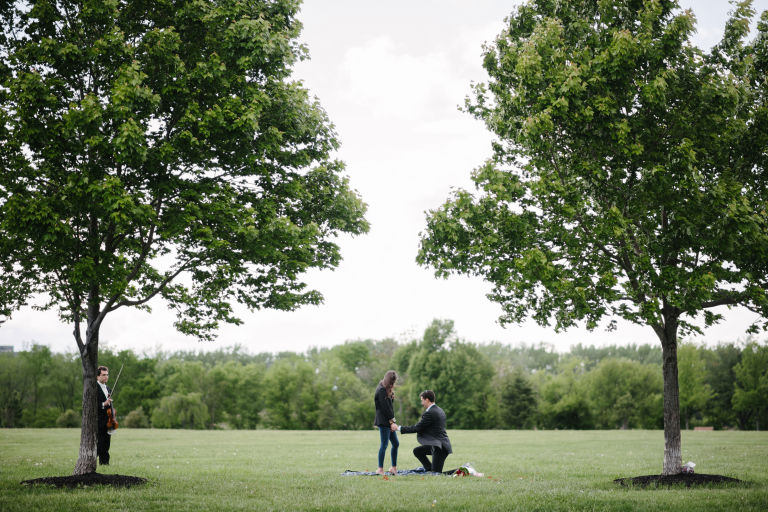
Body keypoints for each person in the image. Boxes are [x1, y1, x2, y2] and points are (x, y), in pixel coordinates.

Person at [392, 390, 452, 473]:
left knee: (436, 474)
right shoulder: (439, 410)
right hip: (439, 445)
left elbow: (417, 428)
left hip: (440, 447)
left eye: (422, 400)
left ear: (427, 400)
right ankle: (428, 468)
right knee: (417, 451)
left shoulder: (430, 413)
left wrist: (398, 428)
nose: (422, 403)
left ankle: (465, 470)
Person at [373, 370, 399, 475]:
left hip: (389, 421)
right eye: (392, 383)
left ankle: (393, 468)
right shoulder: (380, 390)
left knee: (396, 444)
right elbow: (384, 409)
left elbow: (389, 406)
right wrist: (392, 422)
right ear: (388, 381)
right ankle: (380, 469)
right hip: (384, 421)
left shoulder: (386, 389)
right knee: (384, 444)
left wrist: (391, 397)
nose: (393, 385)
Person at [96, 365, 113, 465]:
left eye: (107, 375)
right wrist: (103, 404)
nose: (106, 377)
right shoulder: (94, 388)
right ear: (97, 376)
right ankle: (92, 461)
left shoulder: (108, 388)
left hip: (109, 420)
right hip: (99, 421)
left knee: (107, 443)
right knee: (100, 443)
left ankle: (105, 464)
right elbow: (92, 405)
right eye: (103, 375)